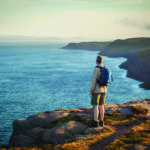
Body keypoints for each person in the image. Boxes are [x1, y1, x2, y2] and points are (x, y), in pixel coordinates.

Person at [90, 55, 108, 127]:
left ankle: (96, 122)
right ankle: (102, 122)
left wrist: (91, 90)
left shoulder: (96, 69)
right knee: (102, 106)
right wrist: (105, 88)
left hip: (97, 90)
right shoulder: (106, 68)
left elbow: (93, 81)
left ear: (96, 61)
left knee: (96, 106)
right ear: (102, 61)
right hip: (104, 90)